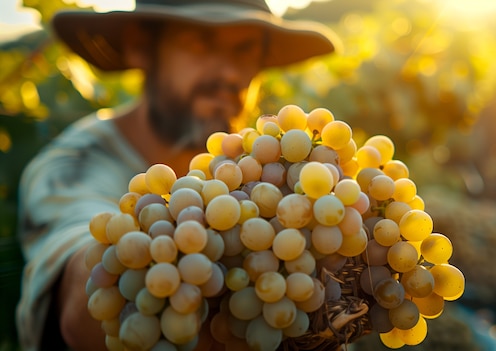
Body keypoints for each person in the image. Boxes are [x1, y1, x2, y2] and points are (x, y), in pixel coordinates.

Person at [15, 1, 340, 350]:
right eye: (200, 43)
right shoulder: (72, 167)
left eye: (245, 49)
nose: (230, 74)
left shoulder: (258, 175)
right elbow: (84, 313)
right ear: (142, 47)